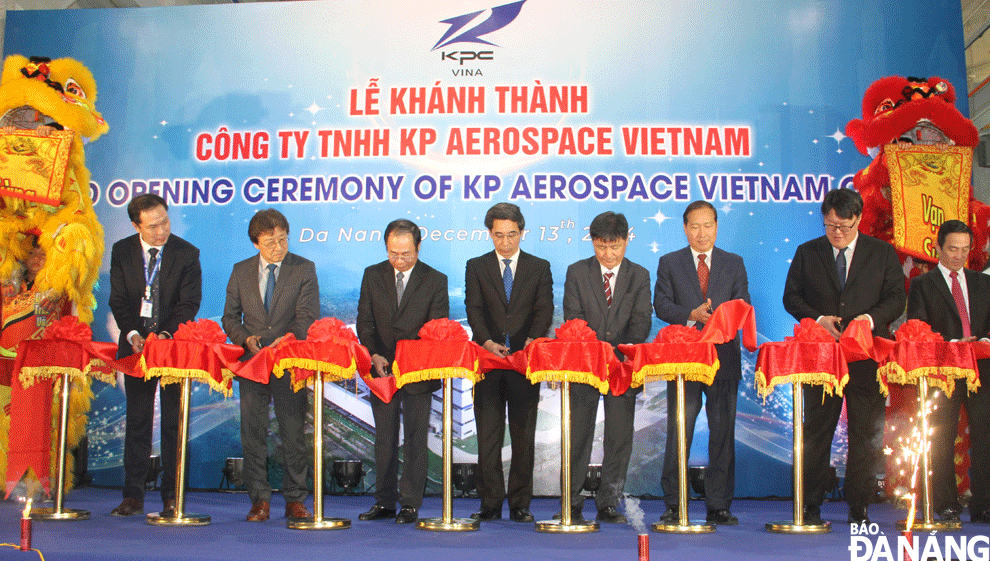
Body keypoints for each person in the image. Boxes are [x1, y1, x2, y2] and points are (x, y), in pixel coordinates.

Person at [783, 188, 905, 525]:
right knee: (817, 430)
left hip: (866, 355)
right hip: (822, 358)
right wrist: (818, 319)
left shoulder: (881, 253)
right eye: (830, 225)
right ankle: (809, 502)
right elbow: (791, 297)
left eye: (844, 227)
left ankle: (859, 503)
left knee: (866, 431)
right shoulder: (808, 253)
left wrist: (868, 321)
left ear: (859, 219)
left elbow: (896, 298)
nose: (837, 233)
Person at [654, 201, 751, 525]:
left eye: (707, 225)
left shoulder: (733, 263)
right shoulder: (670, 263)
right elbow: (662, 305)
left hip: (723, 358)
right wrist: (691, 315)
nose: (701, 233)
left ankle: (719, 504)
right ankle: (674, 501)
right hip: (684, 359)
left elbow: (743, 305)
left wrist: (718, 319)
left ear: (716, 226)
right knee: (679, 428)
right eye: (694, 226)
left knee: (722, 431)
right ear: (684, 228)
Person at [222, 209, 319, 522]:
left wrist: (282, 340)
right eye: (270, 243)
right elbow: (229, 317)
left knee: (292, 433)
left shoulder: (303, 268)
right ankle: (259, 500)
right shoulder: (240, 271)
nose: (278, 247)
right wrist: (246, 339)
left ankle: (295, 499)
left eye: (282, 240)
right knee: (253, 433)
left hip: (288, 362)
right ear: (256, 244)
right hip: (252, 364)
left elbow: (307, 317)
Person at [108, 193, 202, 517]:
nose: (161, 231)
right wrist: (133, 334)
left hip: (172, 348)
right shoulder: (122, 251)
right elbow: (118, 300)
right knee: (137, 420)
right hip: (136, 347)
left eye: (165, 222)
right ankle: (133, 495)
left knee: (174, 422)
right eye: (153, 226)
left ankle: (171, 495)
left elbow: (189, 303)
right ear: (137, 225)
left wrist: (164, 336)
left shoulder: (186, 253)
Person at [465, 202, 553, 523]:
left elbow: (544, 308)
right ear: (490, 234)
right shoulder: (476, 266)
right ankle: (490, 502)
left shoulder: (539, 266)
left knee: (522, 434)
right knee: (488, 434)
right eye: (499, 235)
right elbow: (473, 308)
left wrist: (532, 339)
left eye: (511, 235)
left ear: (521, 232)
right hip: (487, 362)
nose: (505, 242)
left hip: (523, 362)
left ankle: (520, 503)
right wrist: (487, 342)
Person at [356, 219, 448, 524]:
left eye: (406, 254)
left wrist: (408, 362)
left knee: (415, 438)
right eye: (393, 254)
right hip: (381, 370)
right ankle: (383, 501)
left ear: (418, 247)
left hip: (418, 372)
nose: (399, 260)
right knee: (384, 437)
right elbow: (364, 322)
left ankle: (410, 503)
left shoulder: (435, 280)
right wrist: (374, 353)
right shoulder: (372, 274)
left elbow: (436, 330)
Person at [562, 212, 652, 523]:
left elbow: (641, 322)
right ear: (593, 243)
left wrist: (617, 356)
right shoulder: (577, 272)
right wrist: (596, 353)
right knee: (579, 434)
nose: (608, 255)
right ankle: (571, 500)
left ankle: (609, 501)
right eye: (601, 247)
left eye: (615, 247)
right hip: (585, 367)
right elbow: (573, 319)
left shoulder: (639, 275)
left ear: (627, 241)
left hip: (622, 369)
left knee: (619, 437)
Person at [906, 219, 990, 524]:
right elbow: (917, 326)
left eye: (964, 249)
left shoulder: (983, 283)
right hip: (942, 370)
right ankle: (946, 503)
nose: (958, 255)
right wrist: (954, 343)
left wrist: (983, 341)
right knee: (941, 436)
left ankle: (983, 504)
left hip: (981, 369)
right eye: (952, 248)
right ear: (938, 247)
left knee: (985, 437)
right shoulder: (922, 285)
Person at [1, 235, 72, 499]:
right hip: (6, 364)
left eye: (43, 255)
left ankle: (41, 481)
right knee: (7, 423)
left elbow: (69, 323)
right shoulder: (9, 283)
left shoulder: (59, 288)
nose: (36, 260)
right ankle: (6, 479)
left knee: (41, 424)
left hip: (42, 365)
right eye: (32, 254)